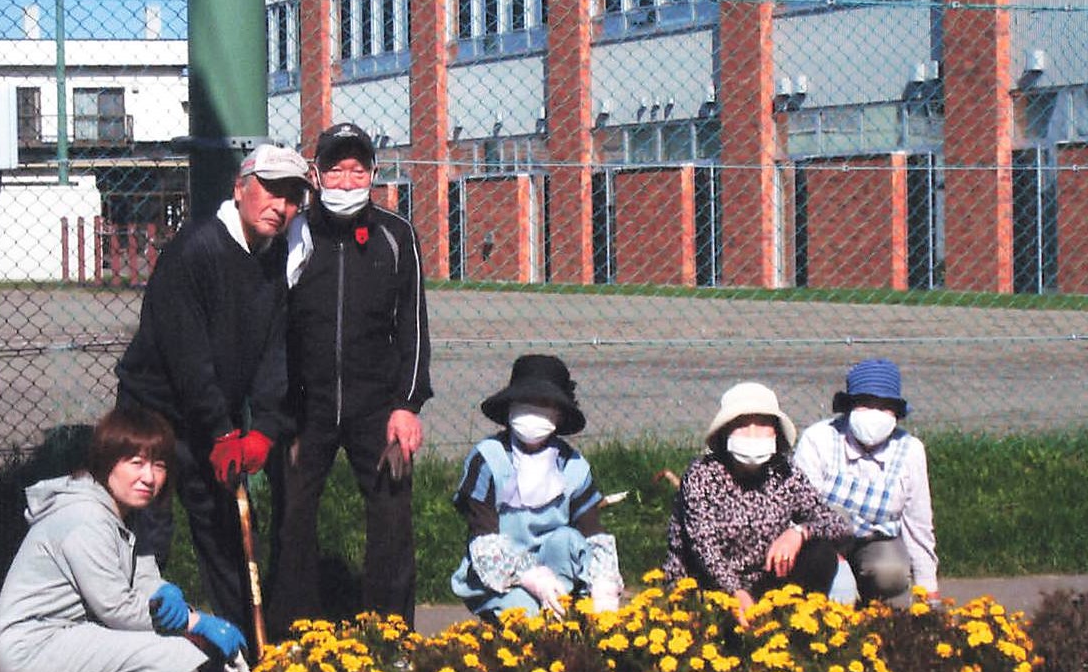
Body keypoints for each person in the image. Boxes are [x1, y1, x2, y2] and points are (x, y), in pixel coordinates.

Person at [114, 143, 306, 646]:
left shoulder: (275, 256)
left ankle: (241, 650)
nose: (279, 206)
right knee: (147, 530)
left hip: (215, 419)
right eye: (270, 191)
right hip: (155, 411)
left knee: (228, 528)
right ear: (240, 189)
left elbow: (274, 352)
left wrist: (263, 429)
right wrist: (221, 431)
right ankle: (137, 653)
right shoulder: (196, 250)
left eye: (292, 197)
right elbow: (188, 358)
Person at [0, 406, 248, 672]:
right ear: (106, 462)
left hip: (66, 640)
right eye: (136, 463)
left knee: (177, 643)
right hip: (32, 651)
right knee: (176, 652)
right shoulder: (86, 519)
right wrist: (196, 623)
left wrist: (169, 596)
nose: (149, 477)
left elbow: (143, 580)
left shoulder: (120, 510)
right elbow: (116, 609)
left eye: (159, 465)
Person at [268, 121, 432, 632]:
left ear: (374, 175)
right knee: (292, 520)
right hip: (303, 406)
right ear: (315, 175)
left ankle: (388, 635)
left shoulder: (396, 235)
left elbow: (414, 327)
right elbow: (270, 323)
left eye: (357, 170)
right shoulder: (292, 231)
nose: (346, 182)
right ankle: (296, 636)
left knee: (390, 521)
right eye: (335, 170)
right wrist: (276, 406)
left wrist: (407, 405)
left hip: (376, 408)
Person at [450, 355, 624, 620]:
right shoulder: (487, 460)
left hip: (558, 571)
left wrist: (604, 584)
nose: (534, 412)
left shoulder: (573, 466)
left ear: (559, 414)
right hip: (501, 580)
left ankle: (565, 610)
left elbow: (592, 532)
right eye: (526, 403)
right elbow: (482, 533)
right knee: (524, 614)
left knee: (567, 540)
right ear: (510, 407)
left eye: (544, 404)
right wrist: (531, 577)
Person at [663, 382, 852, 621]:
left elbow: (836, 523)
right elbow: (704, 546)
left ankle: (795, 628)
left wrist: (798, 532)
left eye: (763, 424)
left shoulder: (785, 473)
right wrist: (735, 591)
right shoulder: (702, 474)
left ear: (776, 432)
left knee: (820, 553)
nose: (753, 433)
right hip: (708, 583)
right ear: (725, 432)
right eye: (742, 424)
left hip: (765, 580)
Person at [793, 358, 938, 602]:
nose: (874, 413)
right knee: (836, 585)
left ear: (897, 413)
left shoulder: (910, 451)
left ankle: (872, 597)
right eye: (864, 404)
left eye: (884, 407)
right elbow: (800, 508)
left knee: (892, 573)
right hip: (820, 540)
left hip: (875, 539)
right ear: (848, 407)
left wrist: (928, 589)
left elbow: (918, 525)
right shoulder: (819, 439)